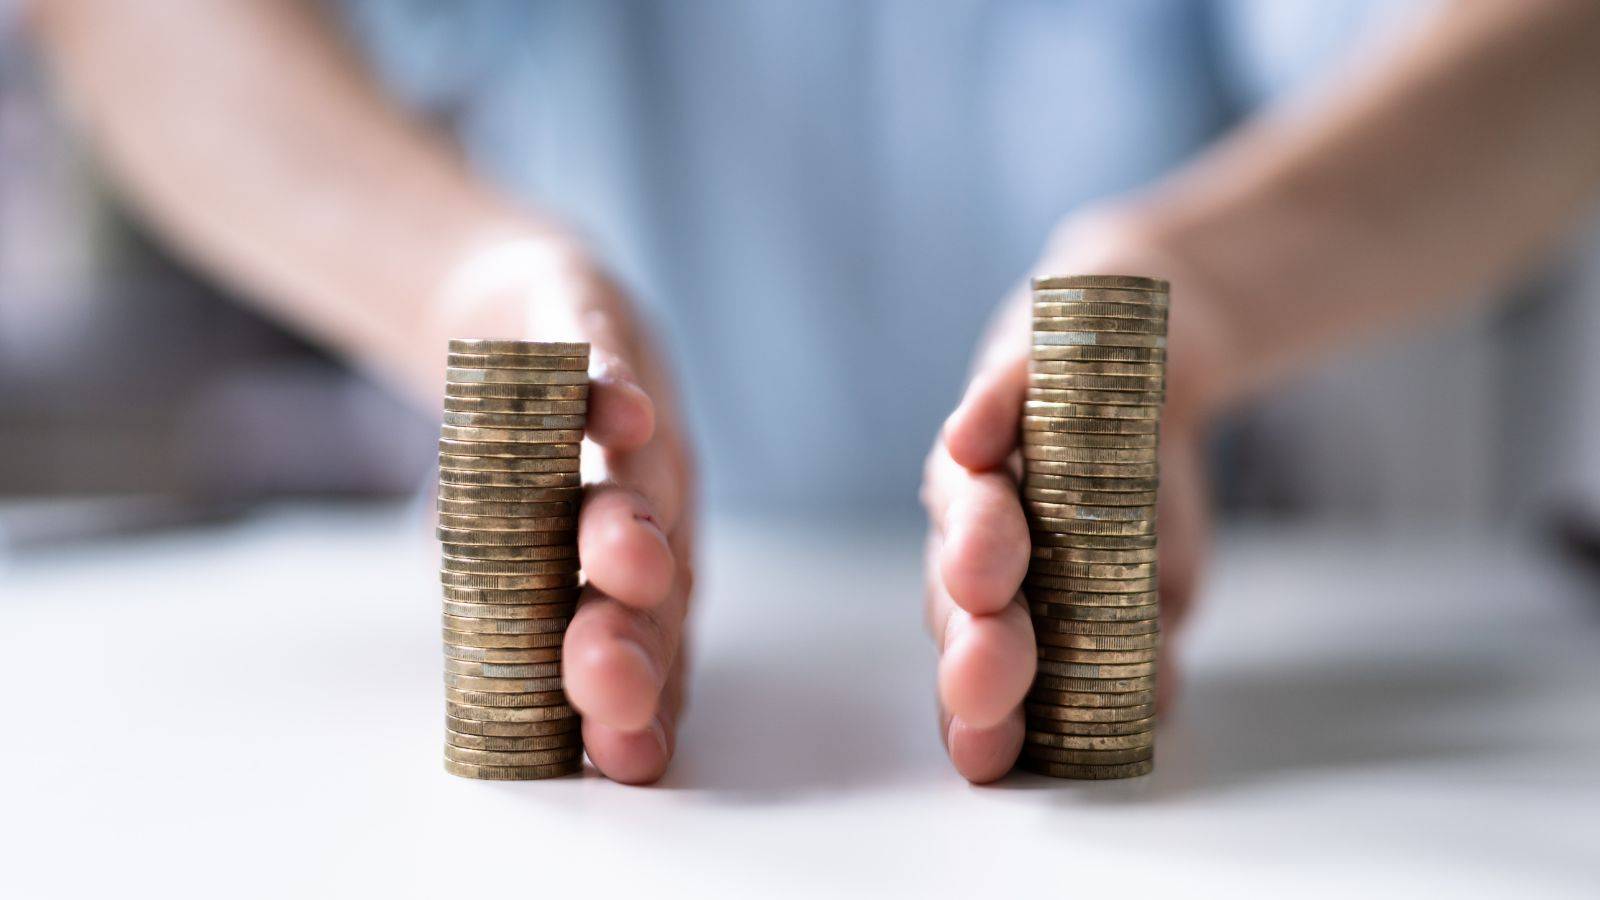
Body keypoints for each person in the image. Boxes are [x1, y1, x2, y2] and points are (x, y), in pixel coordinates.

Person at [25, 0, 1600, 784]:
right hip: (582, 492)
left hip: (1226, 574)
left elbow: (1546, 47)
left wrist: (1198, 290)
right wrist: (465, 285)